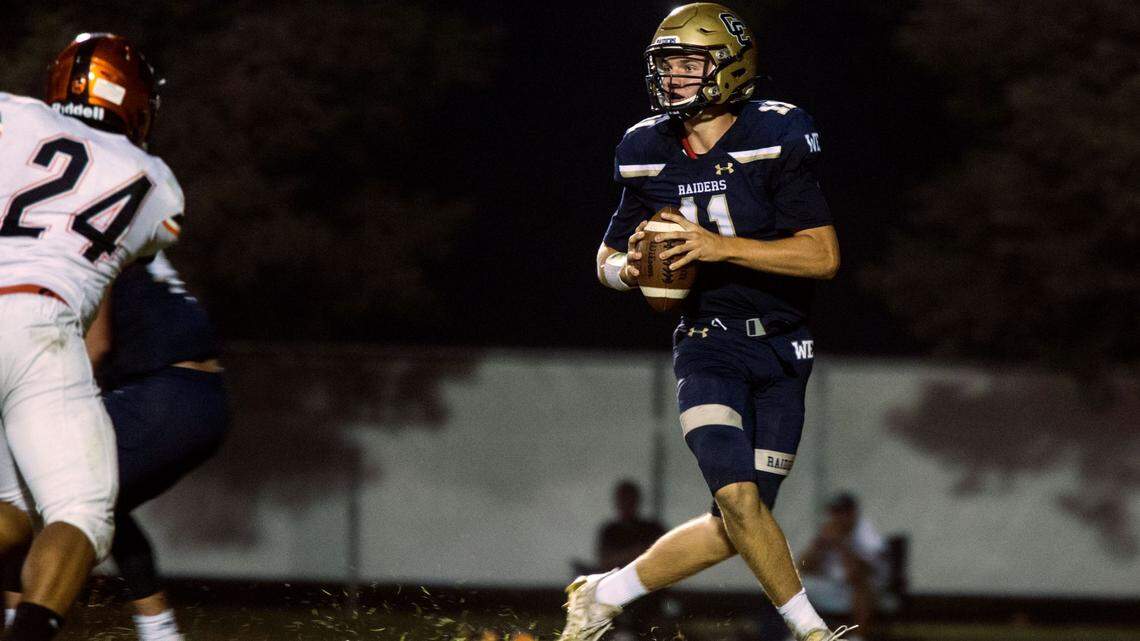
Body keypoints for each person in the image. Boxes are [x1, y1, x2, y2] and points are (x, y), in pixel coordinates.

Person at [560, 5, 853, 641]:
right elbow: (605, 259)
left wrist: (721, 248)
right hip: (706, 348)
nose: (674, 78)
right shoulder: (645, 148)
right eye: (667, 65)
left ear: (732, 67)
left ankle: (602, 595)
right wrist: (632, 274)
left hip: (784, 351)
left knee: (737, 526)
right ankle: (811, 632)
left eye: (689, 63)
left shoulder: (775, 134)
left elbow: (822, 256)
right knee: (739, 502)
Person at [0, 33, 183, 640]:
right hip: (39, 329)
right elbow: (153, 237)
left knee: (14, 514)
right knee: (78, 512)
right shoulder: (156, 182)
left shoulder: (12, 113)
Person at [3, 253, 228, 641]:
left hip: (163, 393)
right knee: (92, 497)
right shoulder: (112, 226)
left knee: (43, 492)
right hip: (199, 397)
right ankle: (158, 630)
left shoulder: (84, 241)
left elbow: (96, 344)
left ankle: (20, 623)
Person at [798, 494, 886, 641]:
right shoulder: (827, 532)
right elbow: (802, 567)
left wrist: (840, 544)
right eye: (834, 512)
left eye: (841, 513)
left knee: (861, 585)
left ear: (853, 514)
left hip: (866, 589)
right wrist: (817, 545)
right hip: (834, 586)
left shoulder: (866, 534)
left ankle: (858, 637)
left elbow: (858, 573)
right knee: (788, 587)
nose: (837, 517)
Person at [595, 481, 666, 572]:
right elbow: (604, 562)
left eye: (629, 499)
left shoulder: (653, 529)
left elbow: (665, 556)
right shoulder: (609, 531)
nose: (626, 503)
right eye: (623, 500)